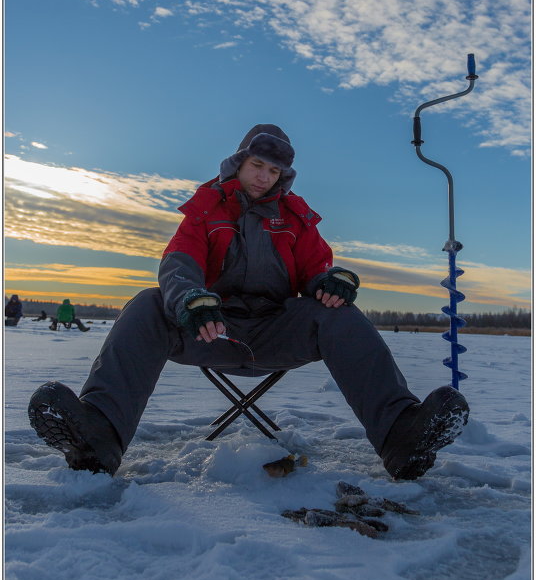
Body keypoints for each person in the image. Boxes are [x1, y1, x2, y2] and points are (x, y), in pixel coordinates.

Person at [28, 124, 469, 479]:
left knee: (338, 314)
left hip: (276, 332)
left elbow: (317, 269)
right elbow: (178, 266)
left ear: (283, 176)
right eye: (257, 165)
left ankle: (401, 435)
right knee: (147, 303)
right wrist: (193, 300)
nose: (263, 176)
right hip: (211, 330)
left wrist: (331, 282)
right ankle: (97, 436)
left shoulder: (296, 219)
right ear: (239, 162)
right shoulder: (205, 210)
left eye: (273, 172)